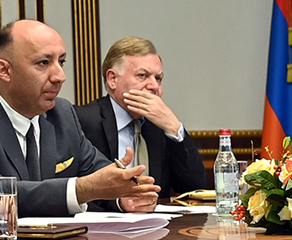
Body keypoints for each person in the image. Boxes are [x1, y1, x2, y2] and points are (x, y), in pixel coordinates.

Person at [0, 20, 157, 216]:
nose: (60, 76)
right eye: (43, 63)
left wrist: (123, 196)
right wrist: (80, 190)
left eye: (61, 62)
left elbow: (98, 174)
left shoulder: (62, 114)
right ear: (4, 70)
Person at [74, 37, 207, 200]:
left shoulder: (160, 126)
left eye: (158, 78)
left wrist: (174, 127)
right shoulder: (81, 121)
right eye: (142, 76)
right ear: (113, 79)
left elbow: (194, 187)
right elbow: (71, 192)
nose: (154, 86)